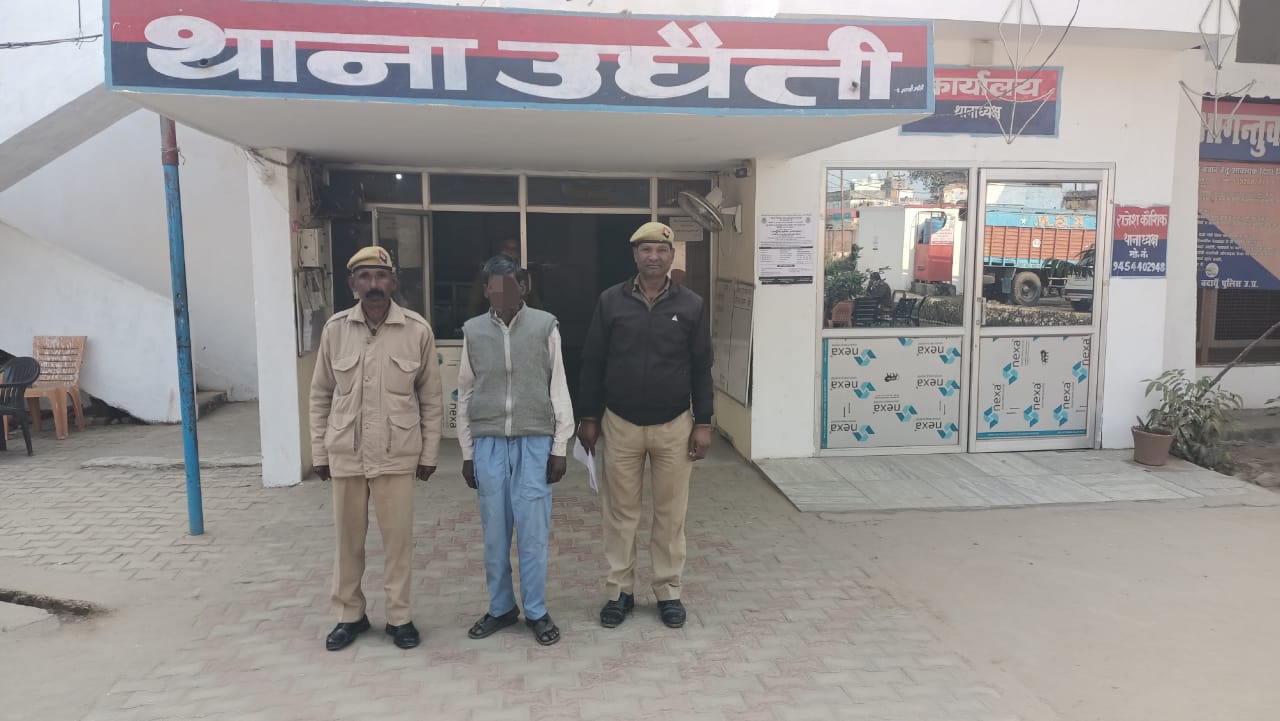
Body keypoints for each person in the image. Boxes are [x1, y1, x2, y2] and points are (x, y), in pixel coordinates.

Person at [577, 221, 714, 630]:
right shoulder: (610, 301)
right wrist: (589, 417)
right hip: (621, 423)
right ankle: (619, 591)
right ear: (634, 255)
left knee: (671, 515)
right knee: (620, 514)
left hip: (674, 425)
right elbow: (593, 362)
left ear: (671, 256)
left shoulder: (691, 305)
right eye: (646, 250)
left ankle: (668, 591)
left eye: (661, 250)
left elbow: (702, 367)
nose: (653, 257)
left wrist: (703, 422)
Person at [309, 245, 444, 652]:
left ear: (393, 281)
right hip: (346, 451)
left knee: (397, 542)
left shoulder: (417, 330)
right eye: (365, 277)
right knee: (347, 540)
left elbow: (431, 399)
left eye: (381, 276)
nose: (373, 284)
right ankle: (349, 614)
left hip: (396, 452)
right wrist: (319, 452)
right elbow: (320, 395)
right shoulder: (335, 330)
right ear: (352, 283)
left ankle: (399, 617)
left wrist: (428, 454)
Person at [456, 254, 575, 646]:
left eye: (510, 284)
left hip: (535, 441)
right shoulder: (473, 331)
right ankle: (501, 607)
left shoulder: (545, 326)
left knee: (533, 533)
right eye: (494, 285)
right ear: (485, 289)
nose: (502, 292)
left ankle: (536, 611)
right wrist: (468, 452)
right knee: (494, 533)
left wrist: (559, 446)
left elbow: (558, 386)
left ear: (522, 286)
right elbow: (465, 393)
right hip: (489, 442)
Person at [466, 237, 542, 318]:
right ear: (499, 251)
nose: (510, 252)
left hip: (520, 323)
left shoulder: (525, 276)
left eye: (514, 249)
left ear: (519, 253)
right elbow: (474, 305)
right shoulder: (486, 274)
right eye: (507, 248)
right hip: (491, 322)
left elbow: (536, 305)